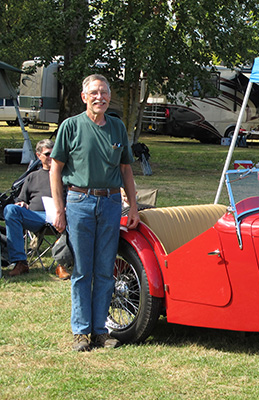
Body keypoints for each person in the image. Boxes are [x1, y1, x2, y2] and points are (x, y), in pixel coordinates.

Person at [50, 74, 140, 352]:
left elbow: (126, 169)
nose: (100, 97)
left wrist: (133, 205)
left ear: (109, 97)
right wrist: (59, 209)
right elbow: (55, 168)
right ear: (84, 97)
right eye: (94, 93)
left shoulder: (116, 128)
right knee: (81, 271)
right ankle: (81, 333)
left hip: (111, 203)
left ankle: (100, 331)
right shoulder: (71, 126)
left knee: (104, 270)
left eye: (104, 93)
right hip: (79, 202)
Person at [4, 139, 70, 279]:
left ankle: (61, 263)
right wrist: (22, 204)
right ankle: (20, 262)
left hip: (61, 215)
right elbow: (22, 199)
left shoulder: (65, 175)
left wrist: (66, 208)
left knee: (76, 213)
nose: (51, 157)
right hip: (36, 216)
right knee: (11, 210)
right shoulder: (32, 177)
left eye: (54, 154)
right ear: (38, 155)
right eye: (47, 154)